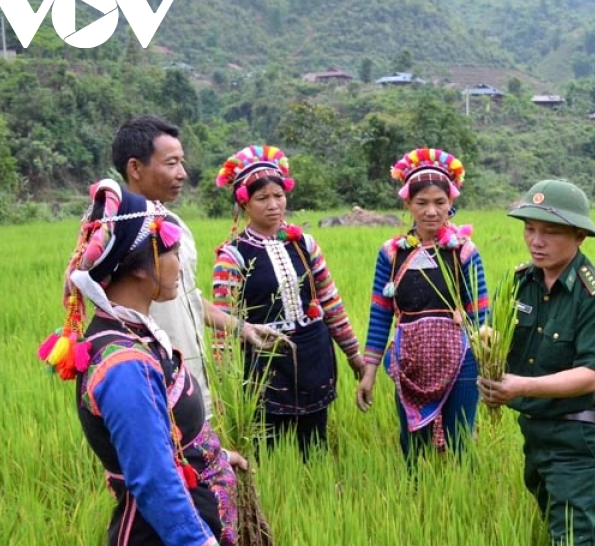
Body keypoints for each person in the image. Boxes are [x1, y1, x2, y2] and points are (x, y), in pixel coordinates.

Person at [40, 180, 251, 546]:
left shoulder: (132, 335)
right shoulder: (125, 364)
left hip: (175, 530)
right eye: (173, 251)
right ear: (141, 265)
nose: (180, 264)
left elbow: (165, 433)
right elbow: (154, 477)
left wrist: (214, 452)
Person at [477, 180, 595, 546]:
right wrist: (484, 343)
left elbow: (593, 375)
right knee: (555, 524)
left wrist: (521, 386)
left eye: (550, 232)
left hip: (576, 435)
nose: (536, 241)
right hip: (535, 430)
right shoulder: (520, 282)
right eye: (530, 229)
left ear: (579, 235)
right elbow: (499, 335)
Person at [112, 116, 280, 413]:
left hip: (190, 380)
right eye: (171, 163)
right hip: (150, 384)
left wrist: (242, 328)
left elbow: (188, 296)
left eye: (182, 162)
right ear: (135, 168)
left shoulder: (173, 223)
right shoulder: (115, 231)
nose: (182, 173)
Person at [212, 145, 365, 458]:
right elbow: (222, 326)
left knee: (315, 447)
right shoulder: (232, 256)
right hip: (266, 364)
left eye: (278, 195)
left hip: (314, 356)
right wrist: (223, 385)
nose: (273, 205)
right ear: (244, 202)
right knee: (266, 452)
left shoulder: (305, 244)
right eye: (262, 198)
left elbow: (331, 303)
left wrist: (353, 354)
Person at [355, 148, 488, 462]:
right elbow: (380, 316)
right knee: (413, 448)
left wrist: (490, 369)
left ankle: (460, 492)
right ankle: (417, 490)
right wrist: (369, 373)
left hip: (461, 360)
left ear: (451, 202)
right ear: (407, 204)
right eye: (421, 203)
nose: (431, 211)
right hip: (409, 362)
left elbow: (480, 316)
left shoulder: (463, 251)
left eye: (440, 202)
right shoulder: (391, 253)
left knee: (461, 444)